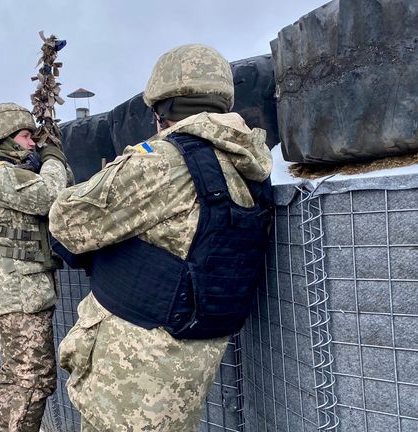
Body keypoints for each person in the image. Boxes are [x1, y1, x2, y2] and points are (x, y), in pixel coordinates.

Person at [48, 44, 274, 431]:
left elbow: (67, 222)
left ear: (160, 110)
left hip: (128, 380)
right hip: (184, 369)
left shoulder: (161, 161)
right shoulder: (247, 165)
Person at [0, 102, 69, 432]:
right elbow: (52, 195)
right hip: (19, 295)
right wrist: (54, 156)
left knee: (16, 379)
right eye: (26, 136)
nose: (32, 143)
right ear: (4, 141)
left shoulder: (11, 174)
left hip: (20, 292)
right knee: (32, 381)